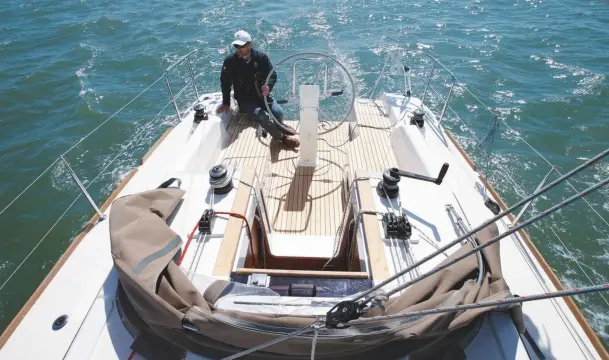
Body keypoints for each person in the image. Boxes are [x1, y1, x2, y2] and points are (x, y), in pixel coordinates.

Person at [217, 30, 300, 148]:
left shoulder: (261, 58)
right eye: (236, 46)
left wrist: (268, 88)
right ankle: (281, 138)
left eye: (241, 46)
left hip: (262, 96)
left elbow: (272, 76)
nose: (238, 49)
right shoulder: (230, 61)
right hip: (245, 100)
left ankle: (278, 127)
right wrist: (226, 102)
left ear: (250, 44)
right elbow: (225, 83)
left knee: (279, 112)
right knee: (263, 116)